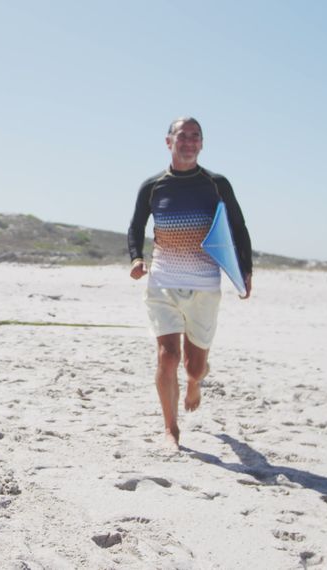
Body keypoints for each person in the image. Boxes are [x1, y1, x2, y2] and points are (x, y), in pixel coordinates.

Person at [127, 116, 252, 449]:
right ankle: (171, 429)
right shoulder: (153, 186)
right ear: (169, 142)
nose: (189, 142)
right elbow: (136, 227)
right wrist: (137, 258)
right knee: (167, 356)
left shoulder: (216, 184)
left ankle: (195, 383)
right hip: (163, 280)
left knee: (194, 367)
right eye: (182, 136)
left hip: (204, 285)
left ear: (202, 143)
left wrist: (246, 270)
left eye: (195, 136)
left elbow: (238, 228)